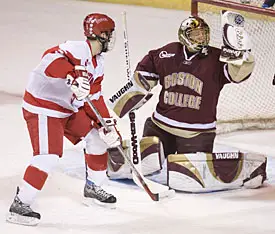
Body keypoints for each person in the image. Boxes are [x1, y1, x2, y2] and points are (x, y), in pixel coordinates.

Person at [107, 14, 267, 192]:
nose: (201, 38)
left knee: (188, 175)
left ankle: (244, 170)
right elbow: (146, 69)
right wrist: (134, 93)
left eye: (203, 33)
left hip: (197, 133)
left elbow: (238, 74)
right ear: (184, 36)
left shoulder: (216, 58)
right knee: (149, 156)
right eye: (196, 34)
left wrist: (243, 56)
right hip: (160, 126)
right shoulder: (168, 52)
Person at [6, 13, 121, 226]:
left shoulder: (98, 62)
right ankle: (20, 204)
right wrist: (71, 76)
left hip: (68, 108)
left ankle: (93, 188)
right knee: (48, 156)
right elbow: (50, 61)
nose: (111, 38)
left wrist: (105, 123)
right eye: (109, 33)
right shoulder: (76, 49)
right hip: (44, 108)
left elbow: (94, 96)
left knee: (97, 138)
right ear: (101, 35)